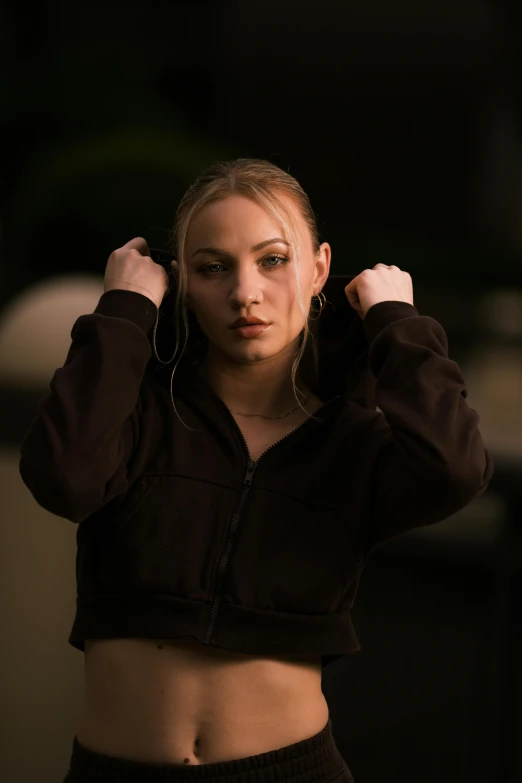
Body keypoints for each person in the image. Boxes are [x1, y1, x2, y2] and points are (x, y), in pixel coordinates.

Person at [19, 158, 493, 782]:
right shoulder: (139, 415)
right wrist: (125, 308)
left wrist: (397, 322)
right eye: (213, 267)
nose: (246, 292)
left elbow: (454, 470)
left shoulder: (352, 440)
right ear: (182, 281)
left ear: (319, 266)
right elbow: (64, 476)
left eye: (273, 260)